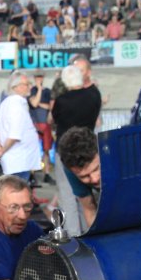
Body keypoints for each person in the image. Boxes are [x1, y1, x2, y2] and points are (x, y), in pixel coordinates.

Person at [49, 59, 102, 236]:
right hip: (90, 146)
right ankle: (90, 231)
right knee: (88, 199)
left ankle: (73, 235)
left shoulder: (61, 101)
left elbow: (53, 120)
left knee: (68, 196)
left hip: (66, 152)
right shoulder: (94, 94)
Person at [0, 70, 43, 179]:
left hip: (15, 160)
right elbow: (14, 135)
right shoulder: (17, 106)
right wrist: (2, 151)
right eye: (26, 84)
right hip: (19, 160)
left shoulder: (7, 103)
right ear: (15, 87)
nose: (29, 87)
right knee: (18, 187)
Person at [57, 126, 102, 229]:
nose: (95, 179)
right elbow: (89, 209)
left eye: (96, 169)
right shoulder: (71, 170)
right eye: (84, 176)